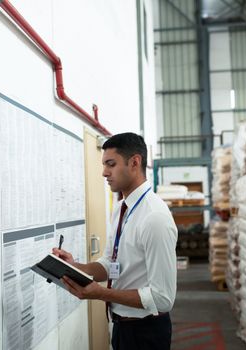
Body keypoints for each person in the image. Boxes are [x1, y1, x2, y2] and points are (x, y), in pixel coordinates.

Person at [52, 132, 178, 350]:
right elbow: (110, 264)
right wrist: (75, 268)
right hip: (121, 326)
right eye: (103, 164)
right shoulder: (121, 209)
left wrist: (100, 293)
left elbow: (162, 298)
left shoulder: (154, 217)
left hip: (146, 332)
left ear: (134, 162)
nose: (104, 172)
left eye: (111, 164)